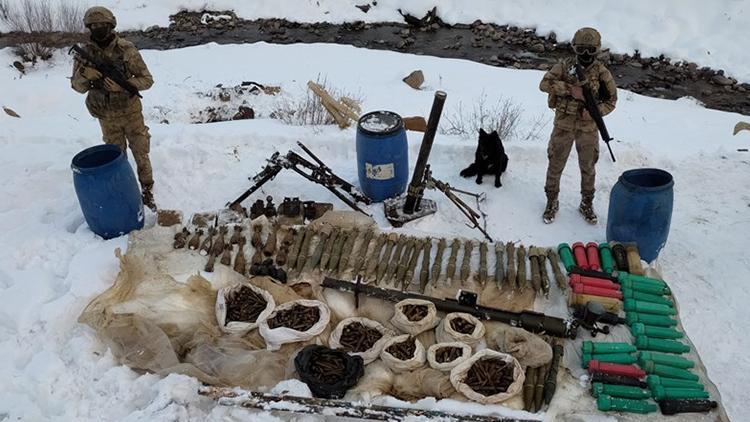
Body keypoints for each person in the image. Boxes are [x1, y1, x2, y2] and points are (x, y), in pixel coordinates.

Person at [71, 6, 156, 210]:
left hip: (131, 112)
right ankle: (123, 191)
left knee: (141, 151)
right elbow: (77, 87)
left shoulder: (126, 49)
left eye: (103, 25)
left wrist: (123, 85)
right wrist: (85, 75)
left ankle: (147, 189)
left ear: (111, 25)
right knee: (116, 158)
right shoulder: (85, 54)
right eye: (94, 25)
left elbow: (147, 80)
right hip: (106, 115)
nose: (99, 28)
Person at [539, 27, 617, 224]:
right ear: (574, 48)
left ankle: (586, 203)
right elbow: (544, 84)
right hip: (563, 124)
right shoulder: (565, 66)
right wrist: (569, 89)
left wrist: (593, 112)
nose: (586, 55)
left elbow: (611, 101)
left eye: (591, 50)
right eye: (581, 49)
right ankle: (551, 201)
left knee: (588, 167)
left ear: (597, 50)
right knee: (555, 164)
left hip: (588, 128)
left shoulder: (602, 73)